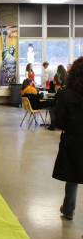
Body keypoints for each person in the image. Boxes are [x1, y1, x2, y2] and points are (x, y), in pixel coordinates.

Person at [52, 57, 83, 220]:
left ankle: (68, 209)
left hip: (72, 141)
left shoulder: (65, 94)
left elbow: (59, 122)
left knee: (73, 176)